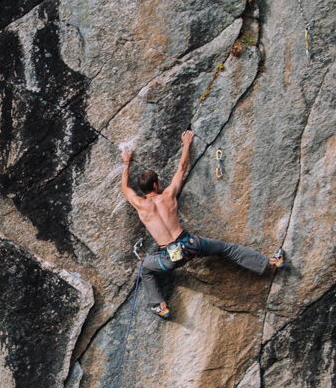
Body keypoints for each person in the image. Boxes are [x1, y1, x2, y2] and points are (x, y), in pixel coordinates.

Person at [121, 131, 284, 319]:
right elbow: (182, 168)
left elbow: (125, 188)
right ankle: (272, 261)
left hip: (168, 258)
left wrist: (126, 162)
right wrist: (186, 144)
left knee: (144, 267)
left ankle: (161, 306)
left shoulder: (140, 204)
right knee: (228, 249)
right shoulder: (168, 195)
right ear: (157, 185)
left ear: (143, 191)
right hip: (192, 245)